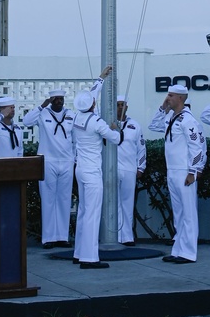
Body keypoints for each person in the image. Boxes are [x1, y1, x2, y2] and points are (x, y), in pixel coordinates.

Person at [21, 70, 108, 247]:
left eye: (61, 99)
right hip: (48, 161)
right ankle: (48, 238)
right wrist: (42, 105)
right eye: (55, 99)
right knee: (48, 199)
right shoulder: (43, 114)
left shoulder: (71, 115)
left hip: (67, 162)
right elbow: (26, 122)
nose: (58, 102)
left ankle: (62, 237)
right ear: (51, 101)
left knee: (64, 199)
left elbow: (88, 103)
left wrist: (100, 80)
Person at [148, 83, 207, 262]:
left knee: (188, 213)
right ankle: (178, 249)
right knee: (179, 213)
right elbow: (153, 125)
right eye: (168, 95)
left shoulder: (188, 120)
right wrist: (162, 108)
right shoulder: (170, 117)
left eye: (171, 96)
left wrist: (193, 171)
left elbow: (197, 148)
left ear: (181, 98)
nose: (168, 98)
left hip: (184, 171)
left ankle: (188, 252)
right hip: (172, 170)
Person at [71, 71, 120, 269]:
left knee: (83, 212)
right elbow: (115, 139)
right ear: (92, 105)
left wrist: (100, 79)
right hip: (91, 173)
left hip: (80, 170)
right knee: (92, 214)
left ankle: (78, 252)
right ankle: (89, 258)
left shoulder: (76, 118)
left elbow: (91, 96)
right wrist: (117, 128)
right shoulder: (97, 123)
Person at [115, 97, 146, 245]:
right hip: (112, 169)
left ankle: (126, 237)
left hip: (129, 169)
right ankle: (114, 236)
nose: (120, 108)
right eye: (117, 105)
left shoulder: (134, 125)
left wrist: (141, 167)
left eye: (123, 105)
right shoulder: (107, 124)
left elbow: (141, 148)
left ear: (127, 107)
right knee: (113, 203)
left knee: (127, 203)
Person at [0, 93, 24, 158]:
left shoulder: (17, 128)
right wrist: (2, 115)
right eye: (10, 108)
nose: (12, 110)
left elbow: (20, 150)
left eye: (13, 107)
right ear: (1, 109)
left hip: (13, 165)